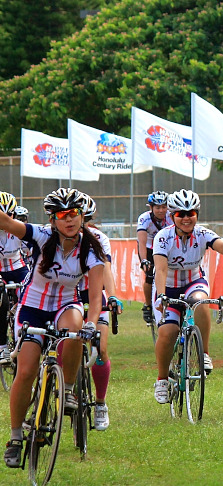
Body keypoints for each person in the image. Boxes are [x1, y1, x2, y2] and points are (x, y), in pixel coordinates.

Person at [3, 188, 106, 468]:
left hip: (66, 304)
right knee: (25, 371)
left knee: (74, 332)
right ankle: (14, 438)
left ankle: (69, 390)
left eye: (74, 213)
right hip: (32, 307)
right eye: (62, 215)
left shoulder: (91, 247)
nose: (69, 220)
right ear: (53, 220)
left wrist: (92, 323)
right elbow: (6, 222)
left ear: (82, 216)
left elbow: (95, 297)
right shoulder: (40, 236)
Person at [152, 189, 223, 404]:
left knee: (201, 302)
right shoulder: (163, 238)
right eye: (180, 214)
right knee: (168, 332)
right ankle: (162, 379)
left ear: (197, 214)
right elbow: (161, 269)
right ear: (172, 216)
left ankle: (204, 354)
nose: (186, 218)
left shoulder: (202, 233)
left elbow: (220, 245)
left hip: (194, 281)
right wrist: (162, 297)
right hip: (168, 286)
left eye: (190, 213)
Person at [76, 194, 123, 431]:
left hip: (94, 294)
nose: (80, 224)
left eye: (86, 219)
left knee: (100, 348)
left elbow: (106, 269)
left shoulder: (99, 239)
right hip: (67, 295)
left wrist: (112, 296)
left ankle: (101, 403)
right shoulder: (55, 236)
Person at [0, 193, 29, 365]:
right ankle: (2, 346)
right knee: (1, 301)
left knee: (29, 295)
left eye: (9, 215)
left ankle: (23, 334)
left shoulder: (18, 229)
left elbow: (33, 249)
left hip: (18, 269)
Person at [137, 191, 173, 324]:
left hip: (165, 248)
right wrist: (144, 260)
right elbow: (141, 242)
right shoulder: (144, 218)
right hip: (149, 248)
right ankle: (147, 305)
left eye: (164, 207)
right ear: (151, 207)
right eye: (157, 207)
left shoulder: (170, 217)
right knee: (149, 277)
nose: (161, 210)